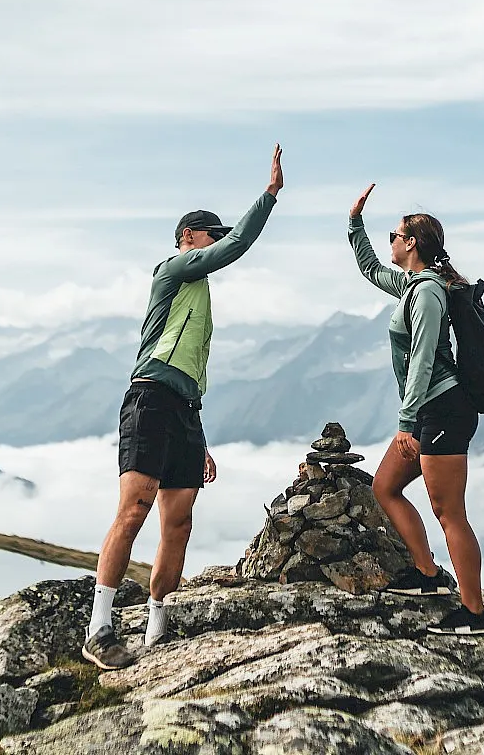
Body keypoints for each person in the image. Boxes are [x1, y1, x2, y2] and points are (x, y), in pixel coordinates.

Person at [83, 145, 286, 670]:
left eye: (216, 237)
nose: (216, 245)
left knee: (179, 523)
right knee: (134, 509)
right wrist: (269, 195)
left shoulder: (199, 294)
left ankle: (156, 628)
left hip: (182, 410)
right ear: (189, 238)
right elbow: (238, 244)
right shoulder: (174, 269)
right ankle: (99, 629)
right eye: (209, 237)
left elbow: (190, 367)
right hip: (149, 399)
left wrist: (200, 432)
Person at [345, 184, 484, 636]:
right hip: (429, 411)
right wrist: (355, 224)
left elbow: (424, 360)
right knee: (386, 487)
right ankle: (427, 576)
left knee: (449, 513)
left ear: (411, 243)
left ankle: (474, 613)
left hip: (443, 410)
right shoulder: (413, 285)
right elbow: (371, 268)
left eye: (394, 233)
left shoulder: (427, 293)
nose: (391, 239)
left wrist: (406, 422)